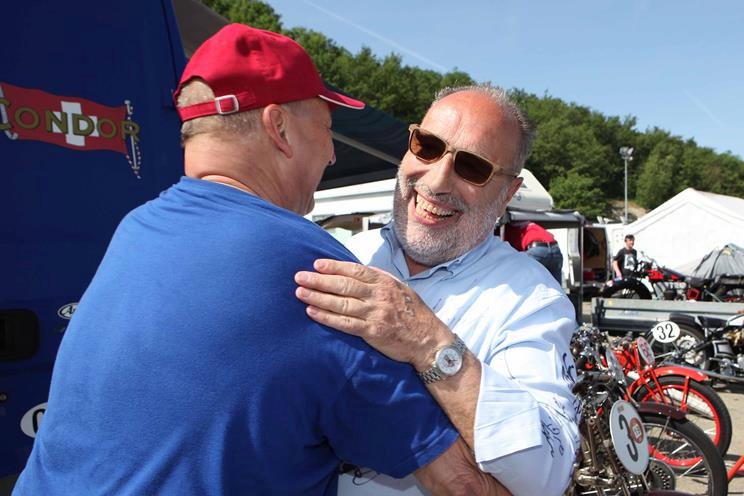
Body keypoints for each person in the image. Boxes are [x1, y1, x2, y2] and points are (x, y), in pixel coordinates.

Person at [12, 25, 507, 496]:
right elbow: (460, 483)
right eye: (327, 129)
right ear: (279, 128)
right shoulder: (309, 267)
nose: (332, 155)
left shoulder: (137, 228)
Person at [295, 84, 580, 496]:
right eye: (427, 147)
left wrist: (428, 342)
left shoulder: (532, 299)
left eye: (473, 167)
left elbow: (548, 471)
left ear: (507, 194)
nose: (438, 179)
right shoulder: (341, 253)